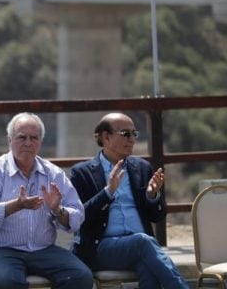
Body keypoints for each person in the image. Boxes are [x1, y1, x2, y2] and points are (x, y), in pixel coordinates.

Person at [0, 112, 93, 289]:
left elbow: (78, 216)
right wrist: (16, 205)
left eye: (34, 138)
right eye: (22, 137)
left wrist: (58, 210)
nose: (28, 143)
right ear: (10, 140)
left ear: (40, 142)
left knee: (80, 276)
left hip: (42, 250)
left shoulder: (53, 173)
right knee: (7, 281)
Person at [69, 112, 188, 289]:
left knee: (148, 269)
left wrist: (152, 196)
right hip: (100, 248)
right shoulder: (82, 173)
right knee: (143, 242)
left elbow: (158, 216)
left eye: (134, 134)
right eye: (126, 134)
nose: (132, 139)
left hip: (139, 249)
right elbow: (79, 218)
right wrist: (108, 193)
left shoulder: (142, 168)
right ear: (106, 137)